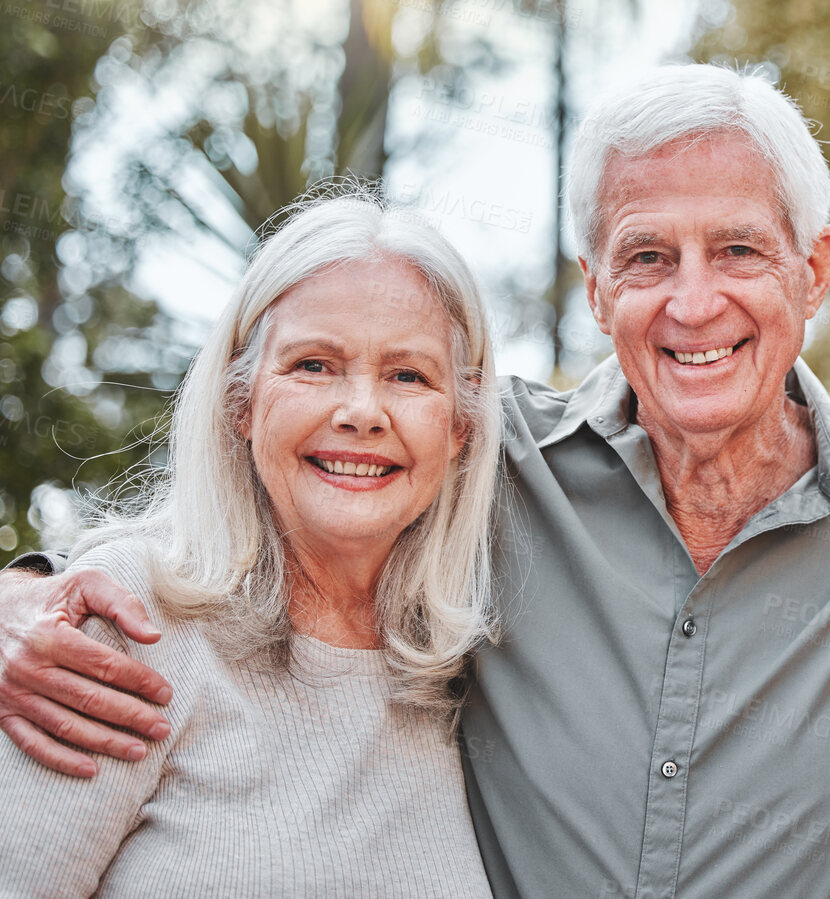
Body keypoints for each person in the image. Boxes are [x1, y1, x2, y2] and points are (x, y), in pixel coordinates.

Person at [0, 65, 830, 897]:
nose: (694, 302)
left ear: (813, 269)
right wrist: (25, 595)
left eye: (738, 249)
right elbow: (291, 498)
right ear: (596, 289)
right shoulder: (485, 458)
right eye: (647, 257)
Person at [0, 194, 500, 896]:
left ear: (460, 426)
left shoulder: (474, 666)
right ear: (240, 400)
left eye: (408, 375)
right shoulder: (131, 619)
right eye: (314, 365)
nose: (361, 411)